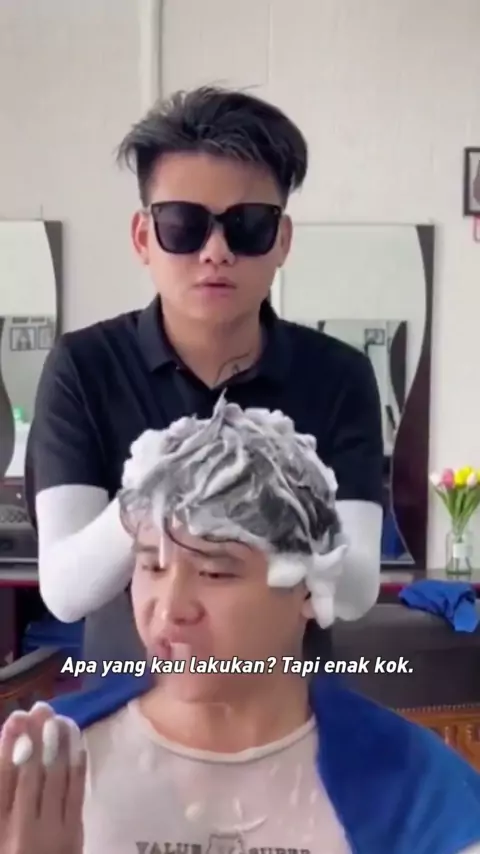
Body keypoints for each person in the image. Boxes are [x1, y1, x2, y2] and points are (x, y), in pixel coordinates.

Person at [4, 400, 480, 854]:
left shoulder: (416, 789)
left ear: (310, 587)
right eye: (152, 567)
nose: (170, 609)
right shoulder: (48, 763)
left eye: (215, 573)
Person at [26, 86, 384, 662]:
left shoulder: (339, 374)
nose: (215, 252)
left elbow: (357, 591)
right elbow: (66, 593)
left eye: (247, 226)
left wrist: (274, 478)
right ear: (143, 237)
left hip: (287, 700)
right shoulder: (84, 366)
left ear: (282, 241)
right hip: (129, 697)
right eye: (184, 224)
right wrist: (169, 479)